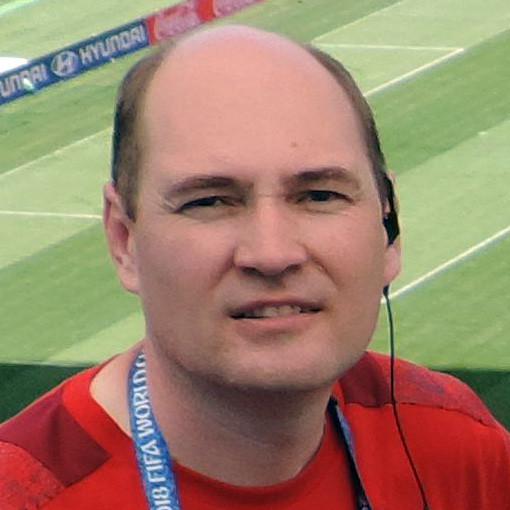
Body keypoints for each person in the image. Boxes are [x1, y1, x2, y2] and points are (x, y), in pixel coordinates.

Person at [0, 25, 508, 510]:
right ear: (123, 240)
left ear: (388, 226)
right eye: (208, 202)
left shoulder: (455, 445)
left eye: (319, 195)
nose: (272, 253)